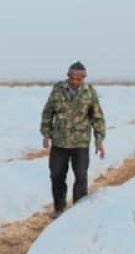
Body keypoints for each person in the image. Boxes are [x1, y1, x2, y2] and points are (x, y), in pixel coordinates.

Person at [40, 61, 106, 217]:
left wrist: (99, 141)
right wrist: (46, 134)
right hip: (59, 143)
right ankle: (59, 208)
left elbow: (97, 118)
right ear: (68, 76)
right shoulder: (58, 90)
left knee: (81, 177)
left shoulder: (89, 92)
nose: (76, 81)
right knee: (56, 176)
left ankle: (78, 213)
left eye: (79, 78)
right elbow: (48, 113)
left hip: (80, 143)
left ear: (84, 78)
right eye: (73, 78)